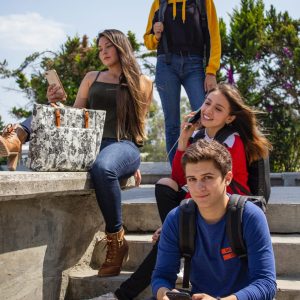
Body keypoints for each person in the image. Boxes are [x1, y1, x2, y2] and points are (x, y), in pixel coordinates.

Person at [0, 29, 153, 277]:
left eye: (107, 47)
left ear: (121, 47)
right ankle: (16, 136)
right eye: (100, 48)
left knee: (103, 168)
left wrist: (130, 161)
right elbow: (76, 117)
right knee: (50, 110)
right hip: (87, 144)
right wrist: (57, 101)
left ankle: (116, 240)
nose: (102, 52)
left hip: (122, 145)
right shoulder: (92, 77)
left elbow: (140, 123)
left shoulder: (142, 82)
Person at [98, 83, 271, 300]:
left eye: (218, 109)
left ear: (229, 118)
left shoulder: (232, 141)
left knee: (170, 232)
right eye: (207, 103)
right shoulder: (198, 137)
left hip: (229, 209)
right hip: (194, 210)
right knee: (164, 185)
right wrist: (183, 141)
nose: (208, 111)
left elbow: (209, 189)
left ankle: (121, 296)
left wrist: (179, 221)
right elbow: (181, 180)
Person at [152, 139, 277, 300]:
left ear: (228, 178)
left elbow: (266, 283)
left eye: (207, 177)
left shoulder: (250, 216)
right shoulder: (177, 218)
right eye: (192, 179)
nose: (199, 187)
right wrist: (164, 293)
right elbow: (161, 275)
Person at [144, 0, 221, 164]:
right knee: (171, 123)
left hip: (195, 64)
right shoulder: (159, 3)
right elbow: (148, 41)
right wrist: (156, 35)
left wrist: (211, 71)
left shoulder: (204, 2)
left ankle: (207, 166)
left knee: (204, 117)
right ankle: (176, 173)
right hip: (166, 64)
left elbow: (214, 36)